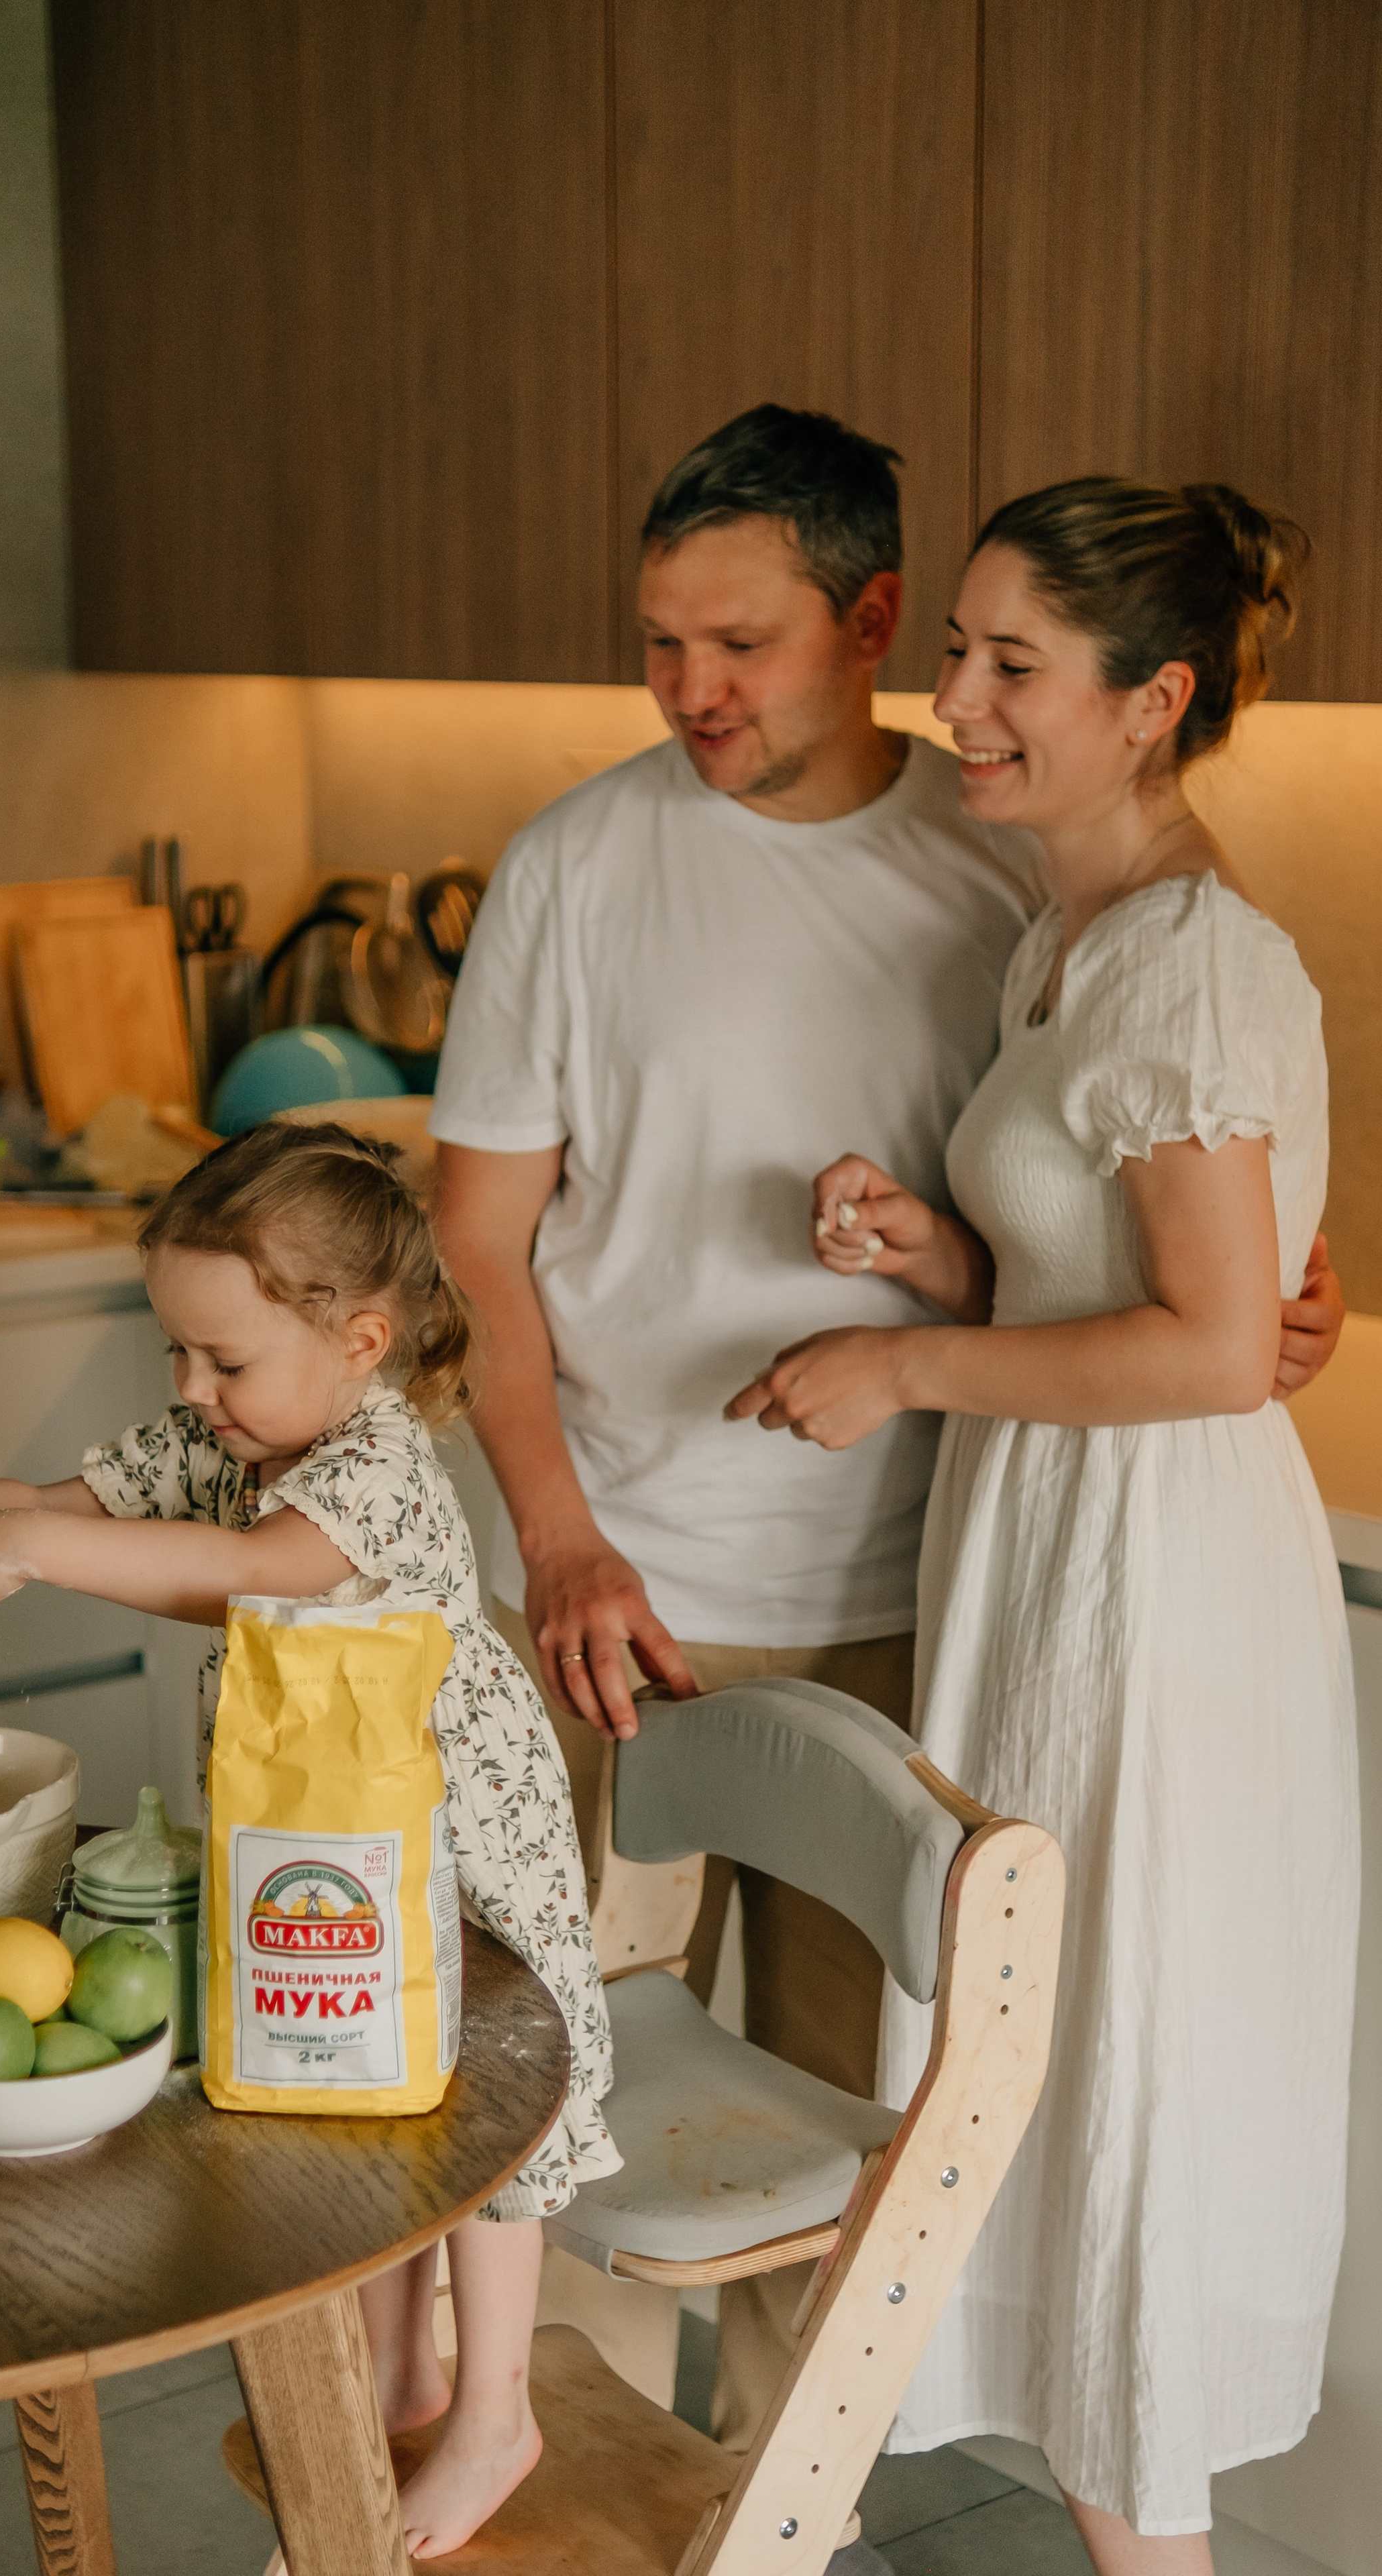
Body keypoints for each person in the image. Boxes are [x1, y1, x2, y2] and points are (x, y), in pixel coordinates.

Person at [429, 404, 1346, 2437]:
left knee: (843, 2156)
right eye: (662, 643)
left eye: (736, 644)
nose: (690, 691)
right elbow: (472, 1252)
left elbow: (1153, 1193)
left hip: (927, 1609)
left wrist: (1272, 1290)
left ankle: (778, 2526)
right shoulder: (579, 864)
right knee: (557, 2121)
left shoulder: (1010, 855)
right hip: (618, 1602)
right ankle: (548, 2500)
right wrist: (559, 1536)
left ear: (861, 622)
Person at [727, 478, 1358, 2574]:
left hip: (1156, 1600)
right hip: (1062, 1563)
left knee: (1119, 2095)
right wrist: (938, 1264)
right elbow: (1129, 1301)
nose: (957, 699)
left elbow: (1200, 1350)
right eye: (963, 650)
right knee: (1049, 2084)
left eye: (1012, 665)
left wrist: (904, 1370)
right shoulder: (1064, 938)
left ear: (1151, 702)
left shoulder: (1194, 963)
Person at [0, 1122, 617, 2561]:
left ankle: (493, 2409)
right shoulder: (234, 1429)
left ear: (360, 1340)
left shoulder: (375, 1462)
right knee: (371, 2104)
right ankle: (398, 2376)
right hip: (326, 1837)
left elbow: (252, 1573)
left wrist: (32, 1553)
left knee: (496, 2108)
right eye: (177, 1361)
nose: (194, 1395)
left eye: (225, 1363)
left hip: (460, 1841)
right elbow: (77, 1505)